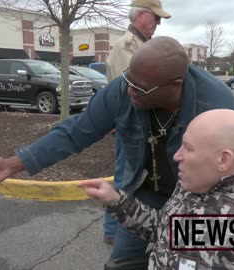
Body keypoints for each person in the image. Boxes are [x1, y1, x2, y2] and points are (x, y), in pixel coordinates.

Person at [0, 36, 234, 266]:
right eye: (128, 79)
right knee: (121, 264)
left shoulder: (217, 106)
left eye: (139, 88)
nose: (129, 90)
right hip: (142, 194)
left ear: (175, 85)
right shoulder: (124, 90)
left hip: (196, 201)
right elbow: (74, 132)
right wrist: (11, 164)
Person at [79, 109, 234, 269]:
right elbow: (165, 230)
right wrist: (116, 200)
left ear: (223, 160)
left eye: (188, 148)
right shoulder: (195, 182)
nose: (176, 156)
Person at [104, 0, 171, 245]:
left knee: (131, 176)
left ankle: (121, 228)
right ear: (142, 15)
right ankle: (113, 231)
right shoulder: (127, 47)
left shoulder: (141, 45)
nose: (158, 23)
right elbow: (135, 91)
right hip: (132, 125)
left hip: (141, 126)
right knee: (125, 178)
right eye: (156, 17)